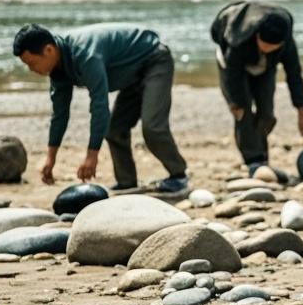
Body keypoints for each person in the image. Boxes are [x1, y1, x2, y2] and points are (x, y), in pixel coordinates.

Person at [13, 23, 188, 192]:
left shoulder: (84, 54)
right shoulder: (58, 70)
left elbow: (99, 104)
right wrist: (50, 158)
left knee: (152, 127)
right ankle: (127, 182)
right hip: (131, 74)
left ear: (49, 50)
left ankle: (178, 176)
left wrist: (91, 156)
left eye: (32, 63)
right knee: (114, 130)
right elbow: (60, 114)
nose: (31, 69)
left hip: (154, 60)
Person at [211, 1, 303, 179]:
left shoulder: (286, 45)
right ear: (257, 35)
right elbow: (232, 75)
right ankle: (254, 161)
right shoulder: (238, 39)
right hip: (233, 67)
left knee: (267, 114)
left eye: (271, 48)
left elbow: (294, 75)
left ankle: (261, 157)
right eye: (263, 44)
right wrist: (235, 102)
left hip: (265, 68)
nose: (266, 49)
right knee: (243, 112)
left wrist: (301, 112)